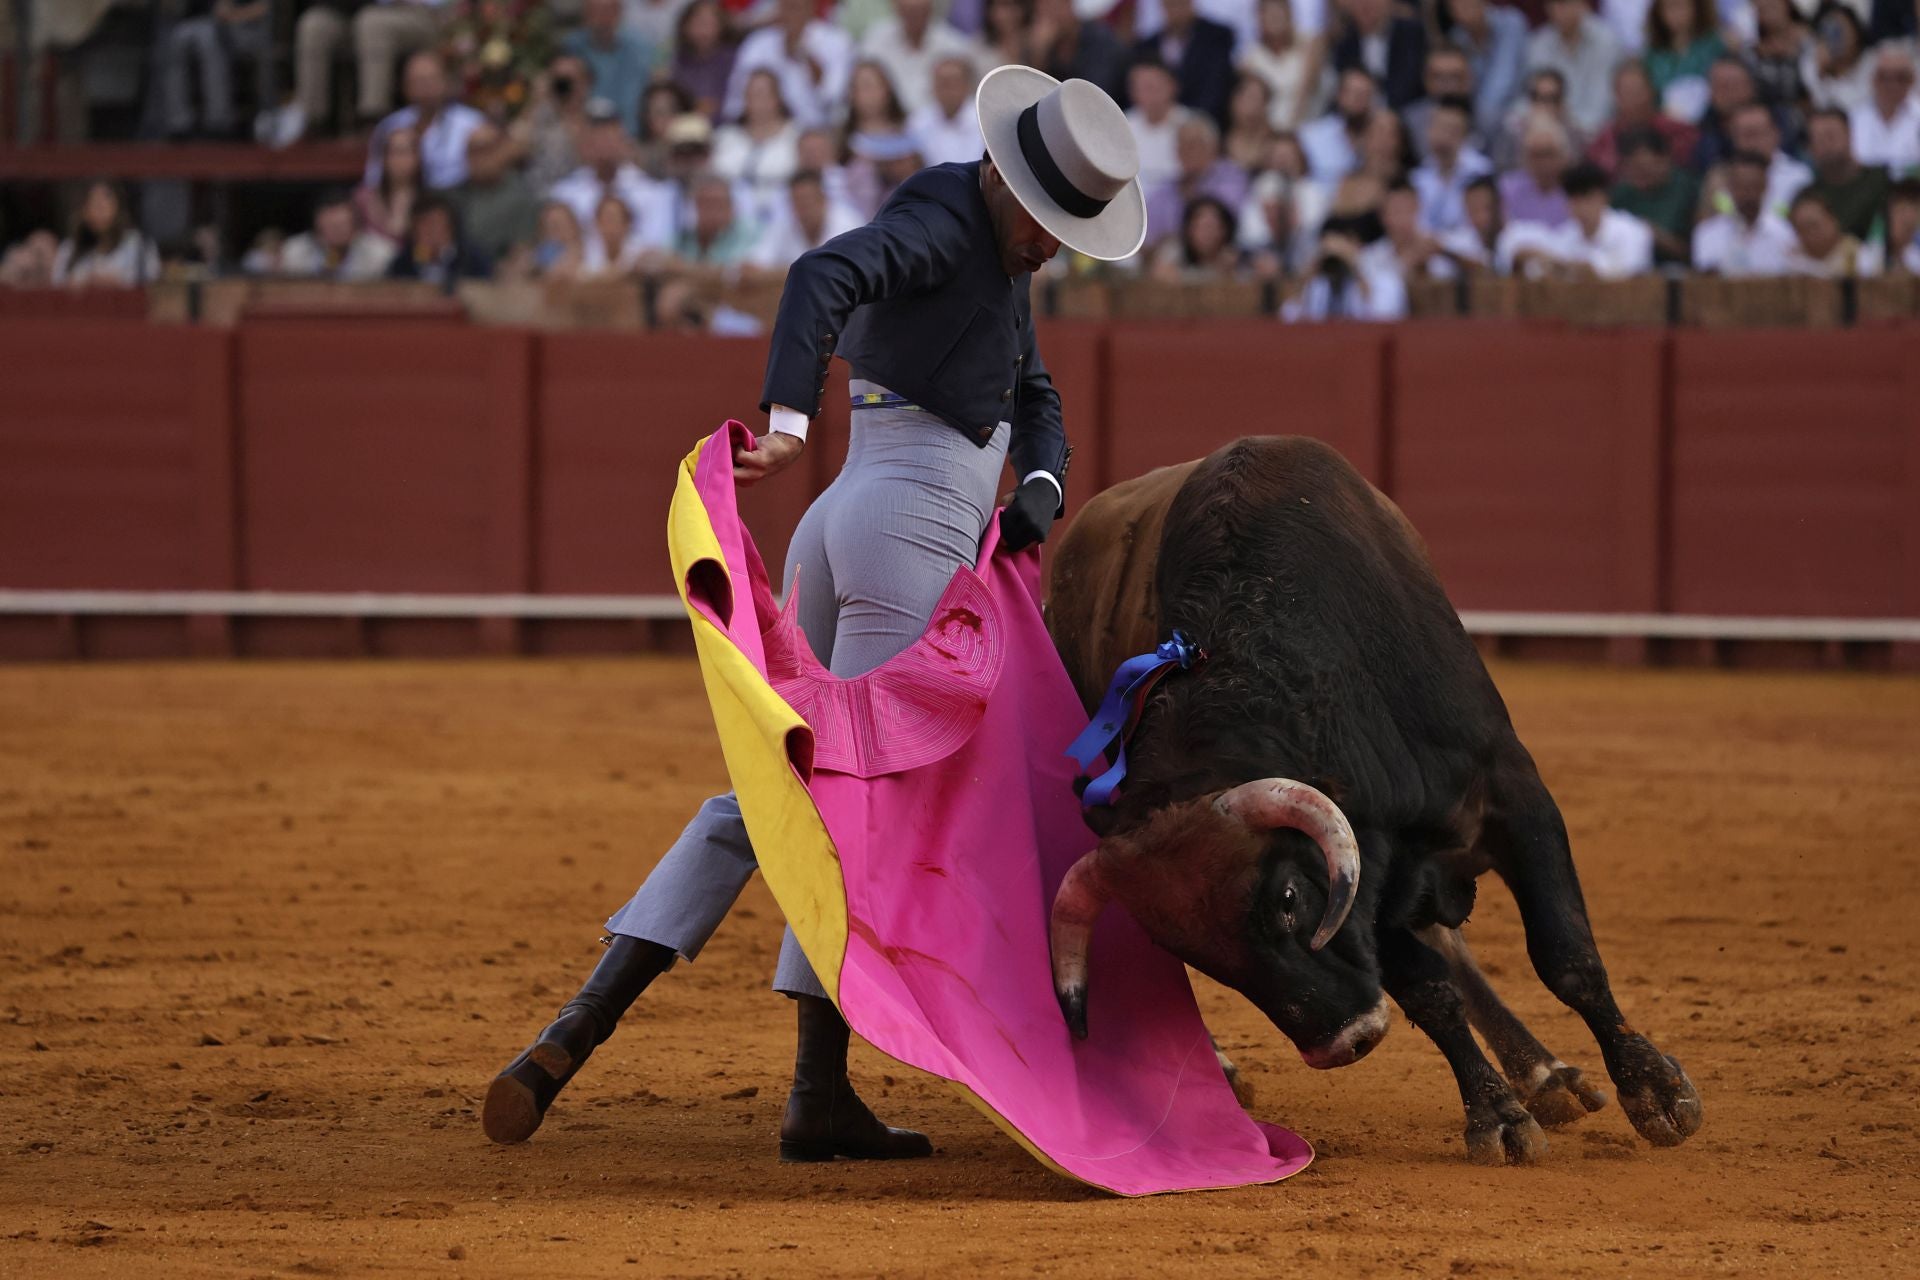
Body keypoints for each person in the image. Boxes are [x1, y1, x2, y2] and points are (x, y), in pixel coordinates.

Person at [481, 65, 1140, 1163]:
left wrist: (1042, 486)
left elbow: (1036, 392)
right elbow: (822, 271)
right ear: (1013, 185)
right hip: (907, 531)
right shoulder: (941, 219)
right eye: (1054, 223)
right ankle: (598, 1033)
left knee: (807, 786)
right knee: (863, 800)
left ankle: (764, 1079)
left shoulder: (987, 241)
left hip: (862, 524)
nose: (1057, 247)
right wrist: (786, 414)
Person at [292, 0, 450, 139]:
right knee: (314, 25)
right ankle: (314, 119)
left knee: (371, 23)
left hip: (417, 13)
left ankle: (373, 117)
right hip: (351, 12)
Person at [1500, 158, 1654, 277]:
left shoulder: (1632, 231)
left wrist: (1556, 262)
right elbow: (1539, 270)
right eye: (1574, 200)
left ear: (1604, 197)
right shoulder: (1566, 235)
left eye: (1587, 198)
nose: (1582, 208)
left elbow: (1617, 273)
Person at [363, 52, 490, 192]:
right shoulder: (389, 126)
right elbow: (373, 180)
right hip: (402, 204)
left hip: (459, 202)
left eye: (431, 79)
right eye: (417, 81)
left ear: (446, 82)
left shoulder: (472, 123)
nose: (425, 87)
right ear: (405, 87)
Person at [723, 0, 855, 129]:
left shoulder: (835, 41)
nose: (790, 14)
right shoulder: (758, 43)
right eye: (785, 6)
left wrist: (807, 61)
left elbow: (833, 102)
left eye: (796, 7)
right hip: (767, 131)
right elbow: (735, 100)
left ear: (810, 9)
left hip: (817, 131)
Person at [159, 0, 273, 141]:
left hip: (231, 26)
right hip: (193, 21)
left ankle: (218, 122)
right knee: (176, 41)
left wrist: (231, 13)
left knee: (209, 41)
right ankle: (179, 123)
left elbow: (265, 7)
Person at [859, 0, 984, 116]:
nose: (914, 16)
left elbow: (967, 101)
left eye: (919, 10)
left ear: (931, 8)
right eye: (908, 10)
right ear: (896, 7)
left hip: (938, 128)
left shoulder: (954, 46)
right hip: (888, 125)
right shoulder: (874, 41)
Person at [1143, 115, 1250, 250]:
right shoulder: (1165, 191)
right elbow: (1146, 236)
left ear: (1213, 148)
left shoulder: (1231, 176)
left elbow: (1223, 219)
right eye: (1182, 145)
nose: (1187, 151)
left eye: (1195, 144)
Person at [714, 69, 803, 227]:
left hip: (781, 221)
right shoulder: (725, 137)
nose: (756, 100)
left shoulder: (796, 136)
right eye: (750, 94)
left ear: (778, 98)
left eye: (762, 93)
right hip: (730, 223)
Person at [1279, 212, 1408, 319]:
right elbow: (1288, 317)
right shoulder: (1319, 281)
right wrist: (1308, 274)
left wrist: (1355, 265)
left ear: (1356, 243)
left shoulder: (1383, 276)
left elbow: (1383, 315)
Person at [1691, 149, 1798, 274]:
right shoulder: (1707, 233)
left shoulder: (1785, 234)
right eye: (1742, 187)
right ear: (1730, 188)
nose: (1749, 195)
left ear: (1766, 187)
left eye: (1755, 186)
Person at [1526, 0, 1621, 138]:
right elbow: (1533, 98)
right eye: (1553, 4)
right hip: (1549, 131)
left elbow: (1602, 108)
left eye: (1564, 3)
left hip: (1594, 133)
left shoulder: (1606, 42)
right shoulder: (1539, 44)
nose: (1558, 9)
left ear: (1582, 4)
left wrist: (1570, 127)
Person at [1135, 0, 1240, 125]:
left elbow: (1216, 84)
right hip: (1154, 120)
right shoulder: (1147, 45)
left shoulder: (1217, 37)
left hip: (1201, 121)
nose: (1175, 9)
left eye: (1180, 3)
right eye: (1170, 4)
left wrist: (1193, 121)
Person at [1588, 59, 1699, 174]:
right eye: (1627, 92)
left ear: (1651, 91)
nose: (1634, 100)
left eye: (1638, 91)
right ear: (1616, 97)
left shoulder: (1680, 133)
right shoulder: (1604, 142)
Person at [1438, 0, 1528, 141]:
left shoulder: (1511, 23)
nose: (1465, 8)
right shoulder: (1457, 38)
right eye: (1458, 5)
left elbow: (1503, 82)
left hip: (1518, 106)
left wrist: (1476, 120)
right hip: (1479, 119)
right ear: (1451, 11)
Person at [746, 168, 866, 270]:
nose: (804, 206)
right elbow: (756, 263)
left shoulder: (848, 224)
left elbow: (832, 272)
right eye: (797, 201)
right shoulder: (785, 222)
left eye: (808, 199)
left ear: (824, 199)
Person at [565, 0, 654, 138]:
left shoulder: (639, 48)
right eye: (595, 11)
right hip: (580, 135)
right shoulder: (572, 47)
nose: (602, 18)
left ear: (620, 13)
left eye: (608, 10)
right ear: (585, 15)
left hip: (630, 136)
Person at [1609, 127, 1697, 264]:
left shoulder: (1689, 189)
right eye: (1630, 169)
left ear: (1664, 159)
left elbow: (1697, 252)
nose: (1637, 175)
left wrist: (1654, 235)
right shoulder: (1621, 194)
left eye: (1643, 168)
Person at [1802, 106, 1890, 238]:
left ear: (1850, 134)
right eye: (1818, 139)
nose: (1825, 144)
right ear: (1810, 148)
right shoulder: (1807, 198)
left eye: (1830, 136)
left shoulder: (1884, 180)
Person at [52, 182, 160, 287]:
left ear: (117, 206)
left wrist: (119, 282)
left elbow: (154, 285)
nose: (101, 208)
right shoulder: (69, 249)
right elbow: (56, 287)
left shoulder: (140, 245)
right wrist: (83, 282)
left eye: (106, 200)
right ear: (84, 210)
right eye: (95, 203)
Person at [1412, 95, 1495, 232]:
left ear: (1464, 135)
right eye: (1437, 127)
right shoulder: (1418, 177)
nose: (1442, 136)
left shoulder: (1482, 172)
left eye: (1450, 129)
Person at [275, 188, 396, 280]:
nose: (336, 232)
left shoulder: (380, 254)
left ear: (355, 226)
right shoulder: (293, 252)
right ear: (317, 226)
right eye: (330, 226)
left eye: (341, 225)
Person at [1331, 0, 1427, 111]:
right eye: (1359, 3)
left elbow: (1411, 79)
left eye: (1372, 3)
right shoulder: (1344, 40)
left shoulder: (1411, 33)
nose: (1365, 7)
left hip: (1405, 108)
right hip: (1358, 113)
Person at [1238, 0, 1319, 132]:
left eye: (1279, 14)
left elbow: (1311, 88)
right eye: (1269, 14)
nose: (1274, 19)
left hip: (1305, 125)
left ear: (1289, 15)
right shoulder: (1250, 57)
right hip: (1265, 134)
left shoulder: (1308, 50)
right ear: (1259, 18)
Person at [385, 191, 494, 286]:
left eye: (436, 224)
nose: (431, 232)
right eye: (424, 226)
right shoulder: (402, 264)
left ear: (451, 227)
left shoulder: (473, 261)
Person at [1641, 0, 1726, 121]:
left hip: (1711, 120)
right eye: (1669, 7)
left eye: (1681, 6)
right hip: (1668, 123)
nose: (1676, 14)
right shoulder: (1652, 55)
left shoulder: (1715, 44)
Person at [1032, 0, 1130, 103]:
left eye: (1054, 9)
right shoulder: (1045, 45)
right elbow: (1033, 93)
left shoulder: (1100, 41)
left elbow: (1093, 96)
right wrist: (1039, 55)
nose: (1048, 20)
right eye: (1042, 14)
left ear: (1069, 5)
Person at [1126, 58, 1198, 188]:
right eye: (1141, 88)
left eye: (1152, 87)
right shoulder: (1124, 124)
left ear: (1173, 86)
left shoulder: (1191, 126)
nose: (1148, 94)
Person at [1848, 44, 1920, 173]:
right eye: (1884, 77)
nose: (1892, 84)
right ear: (1873, 79)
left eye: (1901, 77)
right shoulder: (1853, 118)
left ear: (1912, 80)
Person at [1298, 66, 1377, 182]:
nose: (1357, 100)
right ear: (1339, 95)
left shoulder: (1382, 141)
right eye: (1352, 93)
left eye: (1364, 94)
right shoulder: (1310, 136)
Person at [910, 56, 989, 167]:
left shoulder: (985, 120)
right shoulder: (918, 122)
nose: (946, 88)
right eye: (941, 82)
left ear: (968, 85)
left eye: (953, 82)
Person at [1500, 111, 1576, 226]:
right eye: (1536, 155)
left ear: (1563, 156)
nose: (1544, 163)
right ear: (1525, 159)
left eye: (1549, 153)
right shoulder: (1508, 191)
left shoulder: (1576, 192)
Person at [1783, 187, 1880, 274]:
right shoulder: (1789, 262)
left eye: (1814, 226)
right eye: (1802, 229)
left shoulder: (1861, 258)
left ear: (1833, 220)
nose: (1810, 234)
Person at [670, 0, 738, 120]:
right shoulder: (678, 60)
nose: (703, 30)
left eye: (709, 23)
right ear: (685, 26)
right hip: (687, 124)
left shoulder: (732, 59)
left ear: (721, 25)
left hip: (727, 125)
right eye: (698, 23)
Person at [1150, 194, 1245, 278]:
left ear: (1224, 230)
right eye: (1200, 226)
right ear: (1188, 229)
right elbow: (1162, 274)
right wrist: (1214, 273)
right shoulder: (1174, 249)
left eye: (1211, 227)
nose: (1206, 234)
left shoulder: (1235, 258)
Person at [1802, 3, 1874, 113]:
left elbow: (1859, 105)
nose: (1835, 39)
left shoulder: (1873, 62)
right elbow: (1819, 107)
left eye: (1840, 30)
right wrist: (1822, 74)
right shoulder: (1811, 63)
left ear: (1856, 32)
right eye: (1829, 31)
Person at [357, 125, 423, 244]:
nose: (398, 159)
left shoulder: (429, 200)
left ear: (418, 157)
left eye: (404, 152)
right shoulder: (363, 198)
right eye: (393, 152)